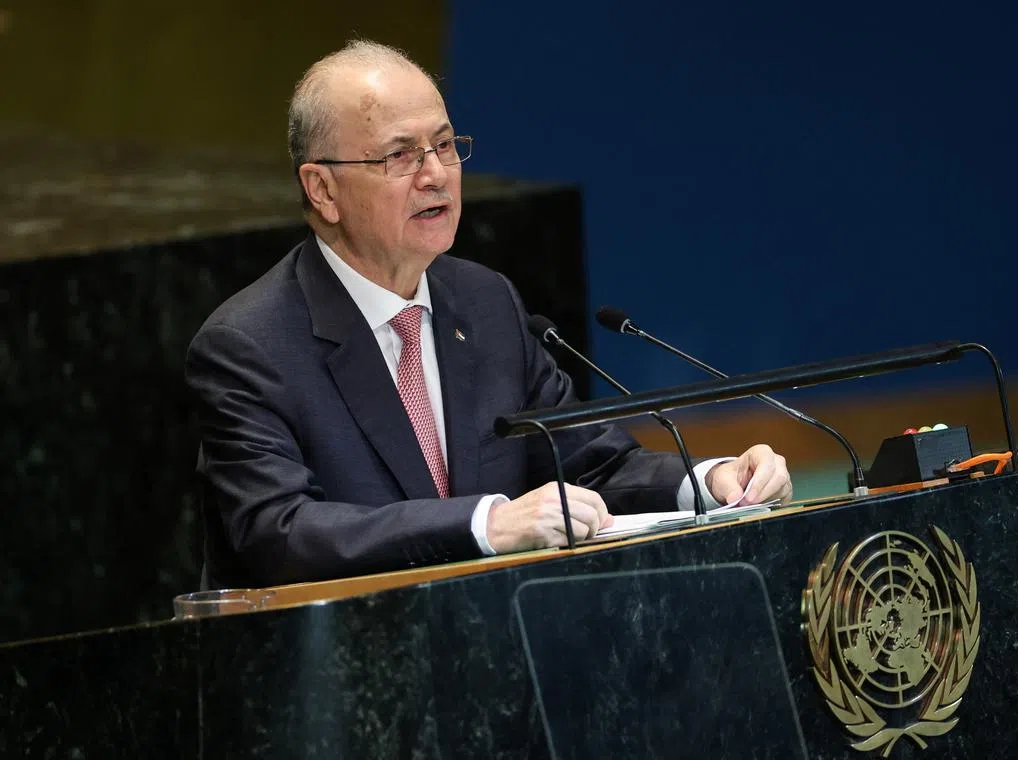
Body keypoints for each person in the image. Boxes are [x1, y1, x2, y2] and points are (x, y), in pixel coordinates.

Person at [185, 40, 792, 590]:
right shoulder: (250, 346)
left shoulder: (485, 302)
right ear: (322, 189)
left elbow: (593, 464)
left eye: (445, 146)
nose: (436, 175)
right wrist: (486, 524)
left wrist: (712, 482)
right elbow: (280, 532)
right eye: (400, 156)